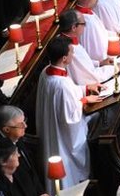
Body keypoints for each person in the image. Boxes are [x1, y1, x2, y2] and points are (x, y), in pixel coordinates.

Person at [36, 38, 103, 186]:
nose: (73, 54)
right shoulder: (61, 84)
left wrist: (86, 88)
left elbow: (67, 96)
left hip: (51, 127)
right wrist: (84, 101)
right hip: (62, 137)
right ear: (65, 58)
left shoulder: (46, 72)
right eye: (71, 52)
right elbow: (70, 119)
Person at [0, 105, 44, 194]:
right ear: (6, 129)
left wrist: (41, 192)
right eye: (20, 124)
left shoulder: (17, 138)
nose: (25, 126)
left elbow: (31, 170)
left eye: (24, 121)